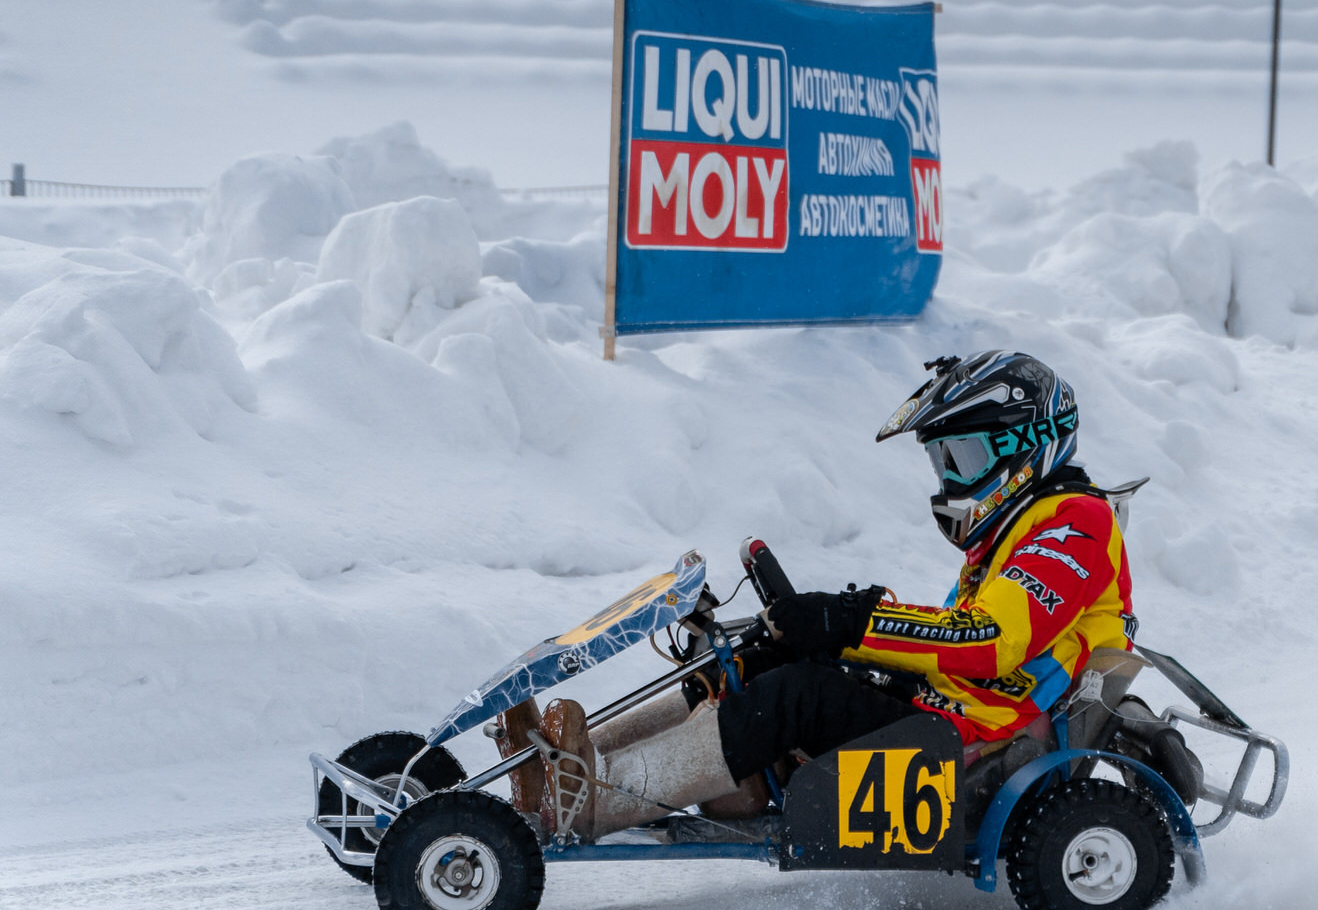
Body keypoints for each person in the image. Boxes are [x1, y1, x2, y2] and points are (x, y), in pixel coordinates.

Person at [495, 352, 1191, 841]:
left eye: (966, 459)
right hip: (967, 714)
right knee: (760, 654)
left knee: (797, 694)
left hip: (987, 745)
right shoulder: (1021, 528)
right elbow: (963, 636)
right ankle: (577, 763)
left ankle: (591, 802)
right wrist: (843, 625)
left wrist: (853, 622)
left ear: (1026, 446)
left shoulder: (1073, 522)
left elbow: (986, 641)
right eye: (942, 462)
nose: (952, 479)